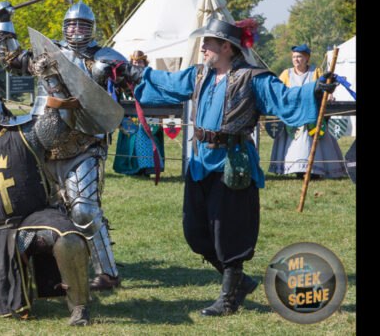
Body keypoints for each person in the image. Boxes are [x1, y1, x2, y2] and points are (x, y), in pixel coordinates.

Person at [107, 18, 341, 316]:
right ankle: (240, 283)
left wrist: (316, 90)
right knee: (195, 233)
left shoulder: (253, 78)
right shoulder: (199, 75)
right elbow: (168, 82)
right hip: (200, 162)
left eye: (209, 43)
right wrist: (133, 72)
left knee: (228, 234)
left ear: (227, 47)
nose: (202, 47)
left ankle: (229, 298)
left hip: (234, 163)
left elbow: (285, 97)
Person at [0, 0, 124, 290]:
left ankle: (108, 273)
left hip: (84, 143)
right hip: (43, 141)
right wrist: (4, 21)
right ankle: (52, 274)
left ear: (91, 28)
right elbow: (11, 60)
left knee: (85, 211)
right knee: (48, 213)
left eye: (82, 25)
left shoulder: (104, 57)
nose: (76, 30)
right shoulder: (47, 53)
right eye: (71, 24)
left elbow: (124, 84)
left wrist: (113, 74)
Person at [0, 76, 91, 326]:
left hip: (39, 216)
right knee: (10, 310)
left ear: (0, 106)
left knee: (69, 238)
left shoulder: (26, 133)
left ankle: (79, 307)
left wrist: (55, 99)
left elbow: (56, 132)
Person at [268, 43, 346, 179]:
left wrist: (328, 94)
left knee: (314, 140)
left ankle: (316, 169)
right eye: (294, 57)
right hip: (293, 115)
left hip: (313, 114)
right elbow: (280, 91)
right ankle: (298, 169)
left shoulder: (316, 72)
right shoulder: (286, 74)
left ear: (307, 59)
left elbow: (324, 87)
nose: (296, 60)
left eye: (300, 57)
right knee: (297, 142)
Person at [113, 50, 165, 176]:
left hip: (148, 116)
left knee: (145, 138)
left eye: (140, 61)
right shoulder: (124, 79)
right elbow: (118, 95)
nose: (137, 64)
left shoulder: (150, 77)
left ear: (145, 63)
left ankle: (147, 168)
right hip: (129, 116)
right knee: (131, 140)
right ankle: (131, 169)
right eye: (135, 61)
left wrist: (157, 115)